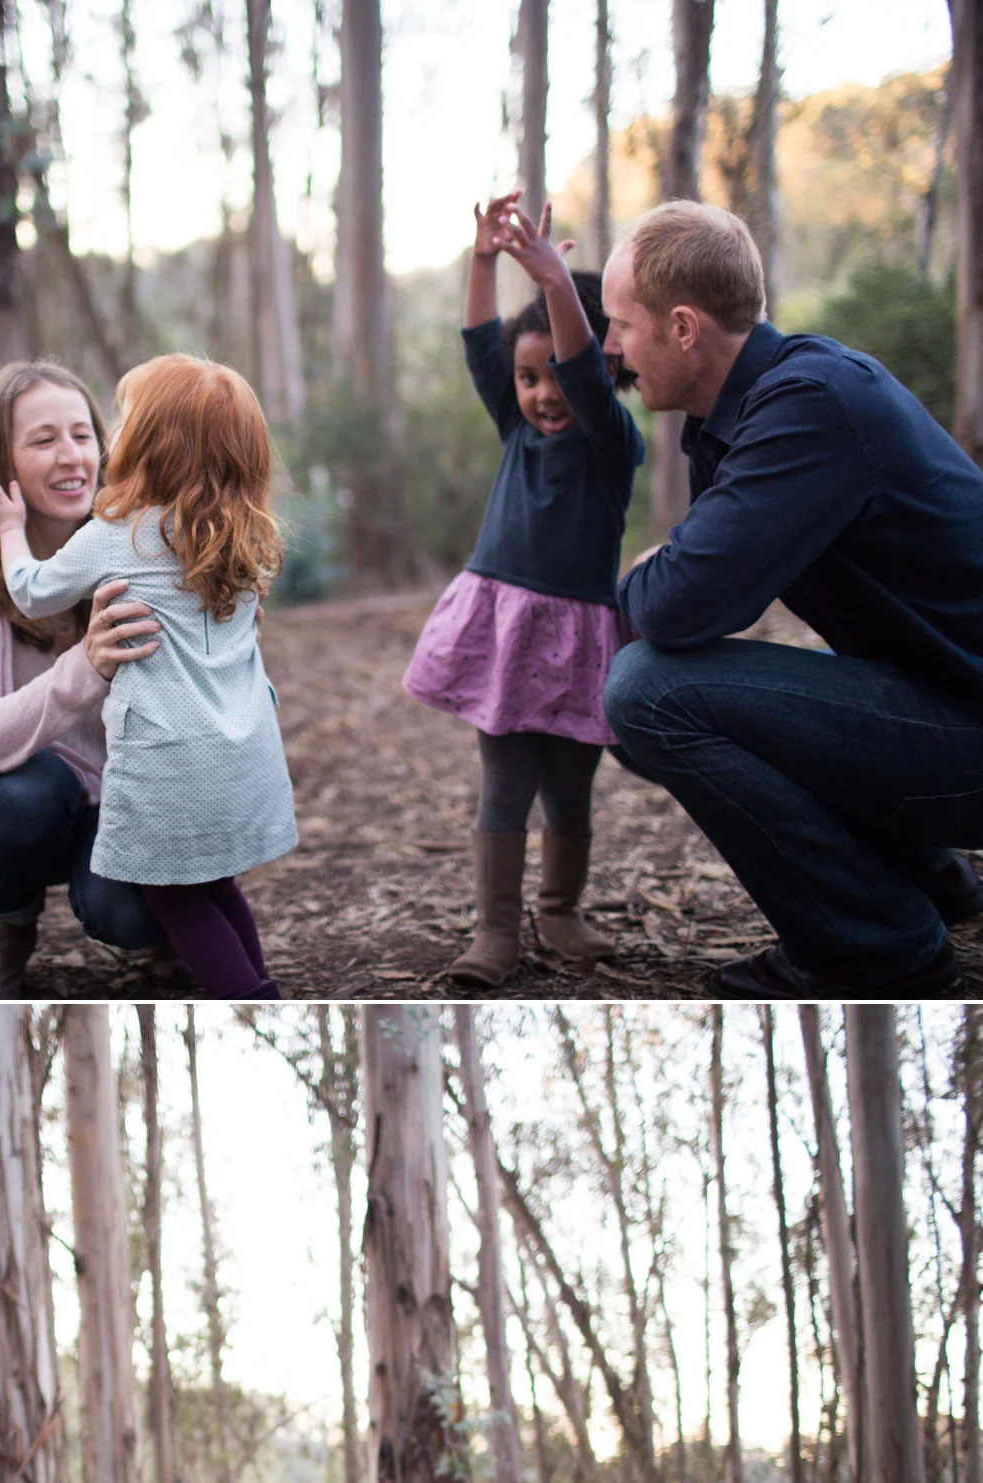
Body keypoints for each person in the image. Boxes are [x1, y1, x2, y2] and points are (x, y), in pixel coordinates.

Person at [599, 200, 983, 1001]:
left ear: (681, 327)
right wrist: (667, 571)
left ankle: (882, 948)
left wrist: (647, 568)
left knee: (649, 693)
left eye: (621, 324)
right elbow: (701, 604)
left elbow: (672, 604)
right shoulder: (745, 414)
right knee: (643, 705)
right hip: (943, 702)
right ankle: (926, 885)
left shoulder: (812, 405)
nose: (611, 347)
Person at [0, 353, 297, 1000]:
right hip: (244, 750)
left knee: (170, 894)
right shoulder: (243, 535)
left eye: (124, 420)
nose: (112, 435)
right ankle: (259, 983)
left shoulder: (119, 534)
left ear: (152, 442)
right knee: (215, 885)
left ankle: (245, 996)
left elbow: (33, 592)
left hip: (169, 761)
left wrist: (11, 530)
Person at [403, 191, 643, 989]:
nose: (545, 393)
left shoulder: (614, 441)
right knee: (504, 784)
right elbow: (480, 340)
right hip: (504, 631)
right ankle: (496, 930)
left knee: (572, 786)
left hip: (581, 641)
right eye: (528, 378)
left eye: (561, 377)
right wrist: (481, 261)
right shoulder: (515, 426)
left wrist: (555, 284)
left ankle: (560, 908)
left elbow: (580, 367)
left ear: (610, 371)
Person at [0, 357, 171, 998]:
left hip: (129, 789)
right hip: (31, 790)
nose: (72, 458)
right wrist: (84, 667)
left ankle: (169, 924)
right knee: (21, 794)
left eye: (83, 435)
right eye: (43, 440)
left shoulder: (143, 543)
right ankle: (8, 927)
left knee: (127, 915)